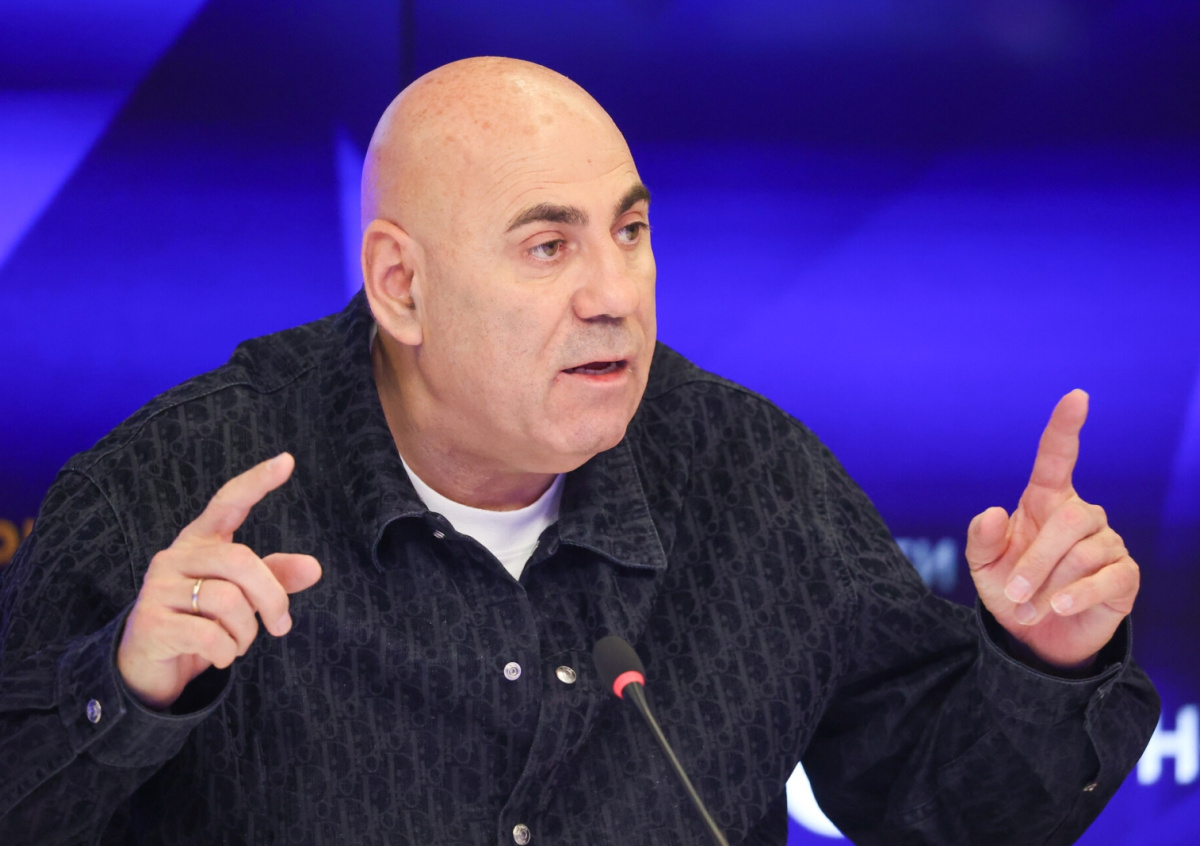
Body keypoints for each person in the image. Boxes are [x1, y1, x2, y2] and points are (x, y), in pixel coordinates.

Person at [0, 57, 1158, 845]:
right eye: (547, 247)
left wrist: (1047, 664)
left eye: (631, 230)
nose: (615, 293)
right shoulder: (171, 491)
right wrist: (126, 695)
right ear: (401, 286)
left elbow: (937, 804)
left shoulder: (751, 477)